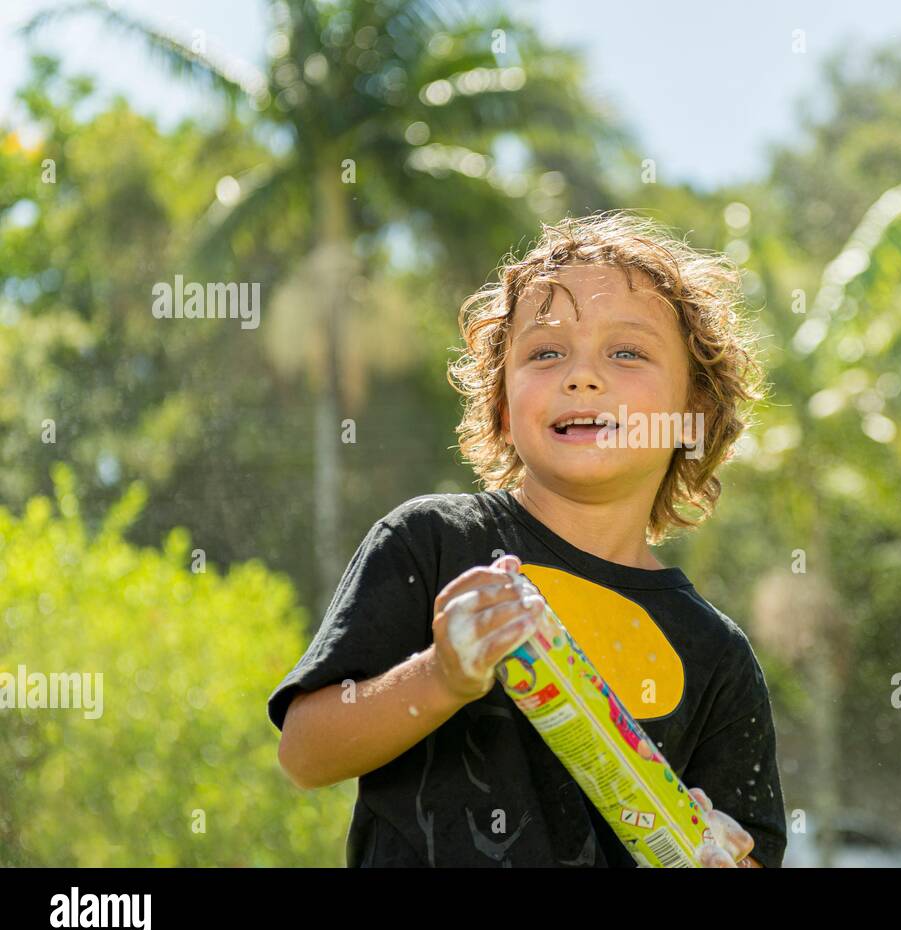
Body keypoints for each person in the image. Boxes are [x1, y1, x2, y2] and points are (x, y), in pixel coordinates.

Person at [268, 211, 785, 868]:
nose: (582, 375)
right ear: (505, 409)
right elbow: (306, 754)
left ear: (694, 416)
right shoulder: (433, 545)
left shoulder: (718, 657)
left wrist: (713, 853)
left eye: (626, 351)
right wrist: (442, 675)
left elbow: (750, 852)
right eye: (545, 352)